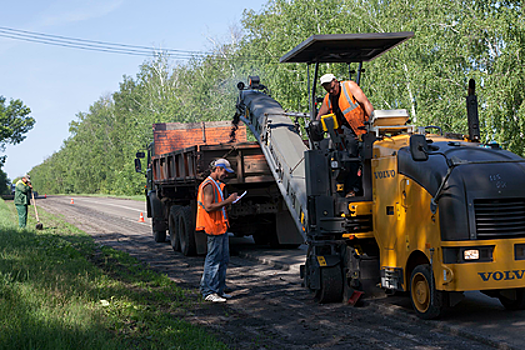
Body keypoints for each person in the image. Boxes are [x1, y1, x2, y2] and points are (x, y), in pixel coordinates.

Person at [316, 74, 375, 197]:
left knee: (368, 157)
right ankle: (352, 190)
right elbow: (320, 115)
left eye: (332, 88)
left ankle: (369, 188)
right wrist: (315, 126)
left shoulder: (350, 87)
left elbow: (366, 103)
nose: (332, 91)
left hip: (364, 128)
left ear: (336, 81)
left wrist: (374, 122)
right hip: (347, 132)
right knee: (349, 158)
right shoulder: (329, 98)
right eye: (328, 90)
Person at [197, 158, 239, 303]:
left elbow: (217, 205)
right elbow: (209, 207)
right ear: (218, 169)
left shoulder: (216, 185)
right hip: (213, 227)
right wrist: (228, 201)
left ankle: (218, 290)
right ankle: (209, 292)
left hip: (220, 227)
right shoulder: (208, 185)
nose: (226, 175)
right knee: (213, 261)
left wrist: (229, 202)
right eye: (225, 172)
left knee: (222, 260)